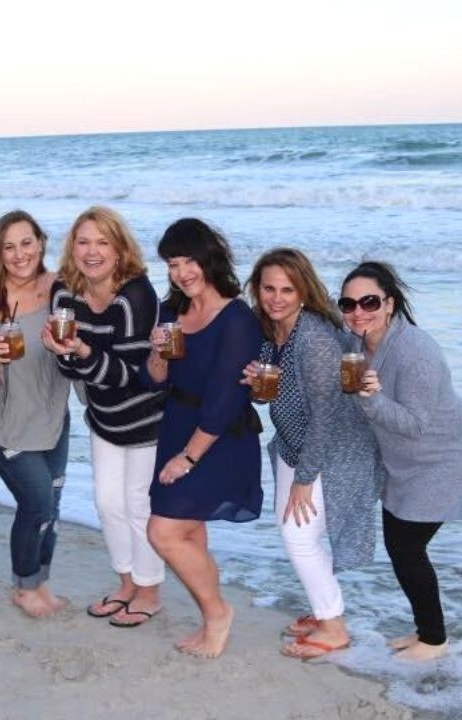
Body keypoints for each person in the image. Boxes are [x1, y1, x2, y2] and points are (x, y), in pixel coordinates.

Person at [342, 260, 462, 661]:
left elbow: (416, 424)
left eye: (369, 302)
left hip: (440, 455)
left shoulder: (416, 351)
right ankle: (426, 631)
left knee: (407, 547)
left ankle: (435, 640)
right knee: (400, 545)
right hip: (402, 461)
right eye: (348, 304)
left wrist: (372, 400)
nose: (358, 312)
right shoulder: (357, 342)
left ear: (390, 303)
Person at [241, 248, 383, 660]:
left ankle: (334, 625)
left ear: (304, 291)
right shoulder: (273, 330)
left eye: (288, 289)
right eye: (269, 288)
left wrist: (305, 481)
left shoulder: (316, 340)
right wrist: (255, 385)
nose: (277, 297)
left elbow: (326, 417)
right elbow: (273, 398)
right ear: (258, 289)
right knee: (296, 532)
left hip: (333, 450)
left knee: (298, 534)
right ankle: (325, 611)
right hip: (293, 445)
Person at [141, 218, 263, 658]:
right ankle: (210, 615)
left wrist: (188, 459)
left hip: (219, 438)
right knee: (188, 532)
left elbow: (225, 398)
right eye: (173, 264)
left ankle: (218, 614)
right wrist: (156, 350)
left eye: (190, 261)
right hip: (177, 424)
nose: (182, 272)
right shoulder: (172, 310)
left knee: (164, 531)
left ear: (211, 258)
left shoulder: (237, 318)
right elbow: (155, 380)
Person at [42, 206, 166, 628]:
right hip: (104, 417)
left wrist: (80, 352)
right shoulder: (64, 294)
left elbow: (132, 377)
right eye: (83, 241)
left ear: (119, 248)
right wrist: (67, 354)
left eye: (102, 242)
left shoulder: (135, 296)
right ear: (71, 247)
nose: (92, 252)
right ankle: (127, 583)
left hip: (148, 417)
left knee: (138, 505)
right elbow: (68, 370)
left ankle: (150, 590)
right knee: (106, 502)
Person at [0, 210, 72, 618]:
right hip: (4, 423)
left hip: (51, 414)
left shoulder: (59, 289)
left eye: (26, 243)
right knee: (36, 504)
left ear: (42, 242)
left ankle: (40, 581)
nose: (19, 254)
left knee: (55, 502)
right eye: (8, 247)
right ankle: (23, 584)